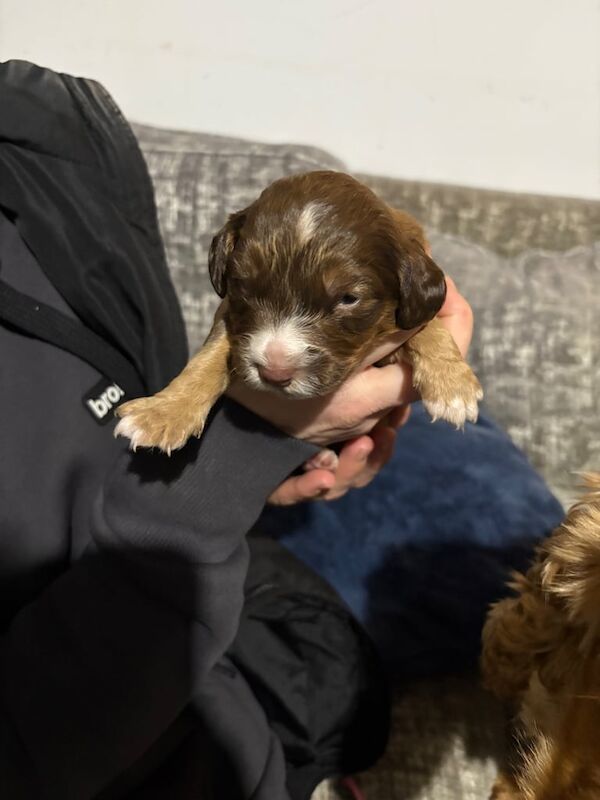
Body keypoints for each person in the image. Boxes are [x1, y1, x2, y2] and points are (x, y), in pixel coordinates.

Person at [0, 61, 563, 800]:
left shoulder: (52, 136)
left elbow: (410, 320)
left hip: (227, 583)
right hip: (164, 668)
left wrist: (256, 469)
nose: (277, 349)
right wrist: (243, 453)